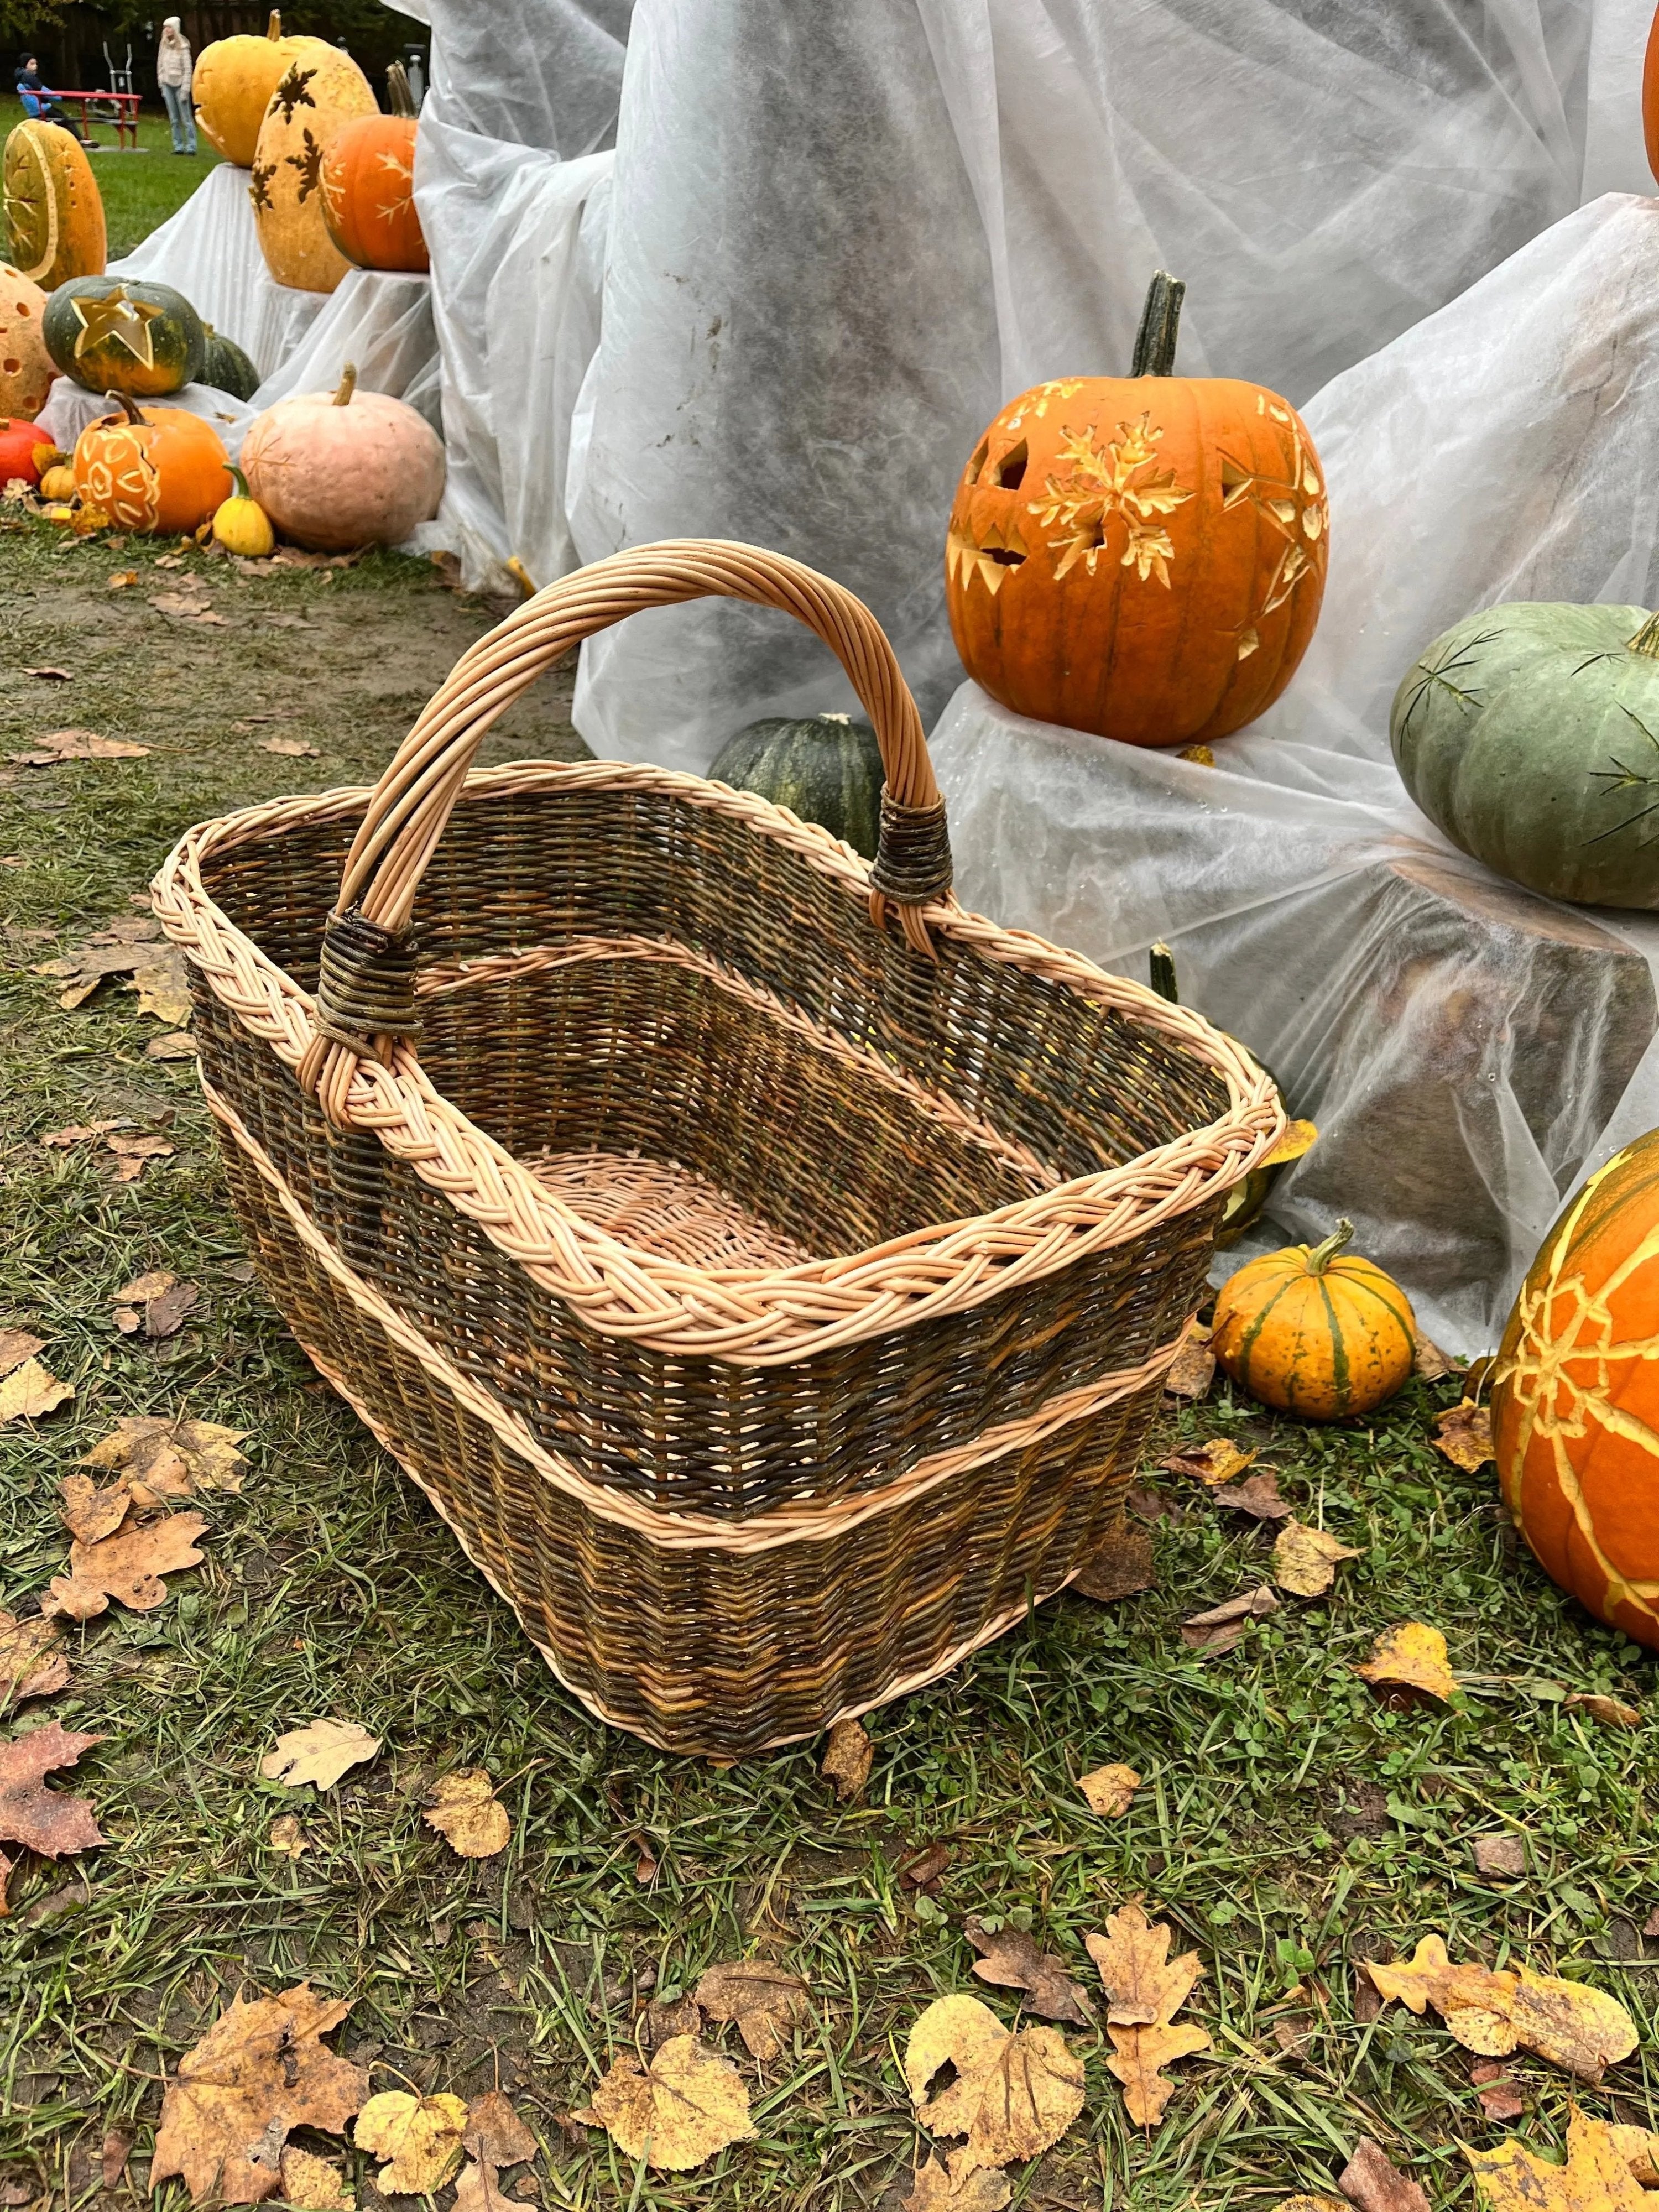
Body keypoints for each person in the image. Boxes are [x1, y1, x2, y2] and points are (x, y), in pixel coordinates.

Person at [14, 56, 91, 143]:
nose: (35, 66)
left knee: (62, 120)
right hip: (42, 110)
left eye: (36, 64)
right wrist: (60, 97)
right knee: (66, 120)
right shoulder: (30, 80)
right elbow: (46, 92)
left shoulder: (23, 80)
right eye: (32, 64)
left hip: (35, 111)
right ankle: (80, 140)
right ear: (25, 66)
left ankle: (70, 141)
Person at [155, 17, 194, 155]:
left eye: (170, 27)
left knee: (186, 118)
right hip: (167, 84)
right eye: (166, 27)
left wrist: (185, 89)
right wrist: (161, 82)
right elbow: (160, 65)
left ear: (176, 29)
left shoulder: (183, 46)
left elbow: (188, 69)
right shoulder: (164, 45)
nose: (167, 30)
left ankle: (191, 146)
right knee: (174, 119)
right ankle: (178, 146)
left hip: (180, 85)